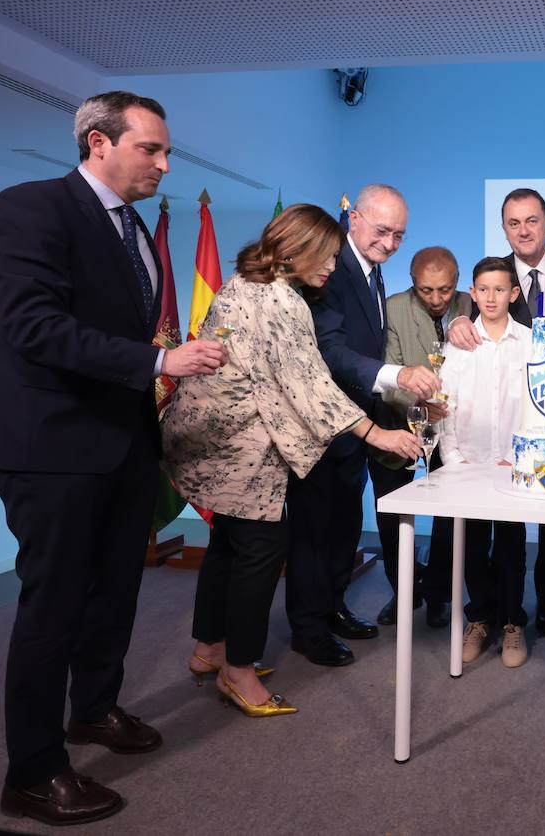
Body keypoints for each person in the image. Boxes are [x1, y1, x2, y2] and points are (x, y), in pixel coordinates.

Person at [0, 91, 228, 825]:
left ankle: (95, 711)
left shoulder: (136, 227)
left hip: (121, 444)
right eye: (151, 149)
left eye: (166, 151)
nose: (164, 164)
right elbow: (35, 328)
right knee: (53, 605)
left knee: (115, 592)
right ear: (97, 143)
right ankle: (34, 770)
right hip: (52, 445)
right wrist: (162, 363)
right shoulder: (30, 208)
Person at [162, 204, 421, 716]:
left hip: (210, 439)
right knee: (261, 551)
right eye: (325, 257)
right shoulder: (282, 301)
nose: (331, 268)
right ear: (296, 250)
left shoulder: (245, 281)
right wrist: (378, 435)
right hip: (240, 448)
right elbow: (310, 387)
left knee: (228, 546)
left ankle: (209, 649)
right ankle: (238, 672)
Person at [284, 184, 442, 668]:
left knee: (344, 526)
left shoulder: (370, 273)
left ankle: (332, 608)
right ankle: (308, 629)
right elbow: (330, 352)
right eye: (382, 231)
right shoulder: (329, 268)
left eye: (399, 235)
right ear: (353, 218)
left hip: (356, 427)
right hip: (323, 424)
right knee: (313, 532)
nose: (391, 244)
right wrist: (398, 375)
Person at [448, 187, 545, 634]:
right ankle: (492, 613)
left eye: (532, 221)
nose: (523, 230)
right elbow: (466, 321)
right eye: (513, 222)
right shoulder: (494, 278)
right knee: (489, 536)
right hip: (500, 425)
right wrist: (455, 319)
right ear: (504, 228)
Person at [438, 257, 533, 667]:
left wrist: (522, 459)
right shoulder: (458, 344)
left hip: (514, 465)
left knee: (511, 547)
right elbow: (445, 404)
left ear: (513, 294)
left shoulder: (530, 342)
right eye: (483, 289)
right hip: (467, 463)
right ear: (472, 294)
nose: (491, 297)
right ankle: (478, 619)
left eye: (500, 289)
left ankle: (512, 622)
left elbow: (537, 405)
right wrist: (453, 458)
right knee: (473, 546)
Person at [376, 246, 473, 626]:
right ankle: (404, 593)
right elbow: (388, 373)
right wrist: (420, 406)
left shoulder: (472, 302)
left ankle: (437, 594)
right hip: (399, 424)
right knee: (392, 515)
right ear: (412, 284)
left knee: (449, 515)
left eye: (445, 290)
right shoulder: (394, 307)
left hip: (453, 430)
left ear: (458, 282)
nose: (436, 299)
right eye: (426, 290)